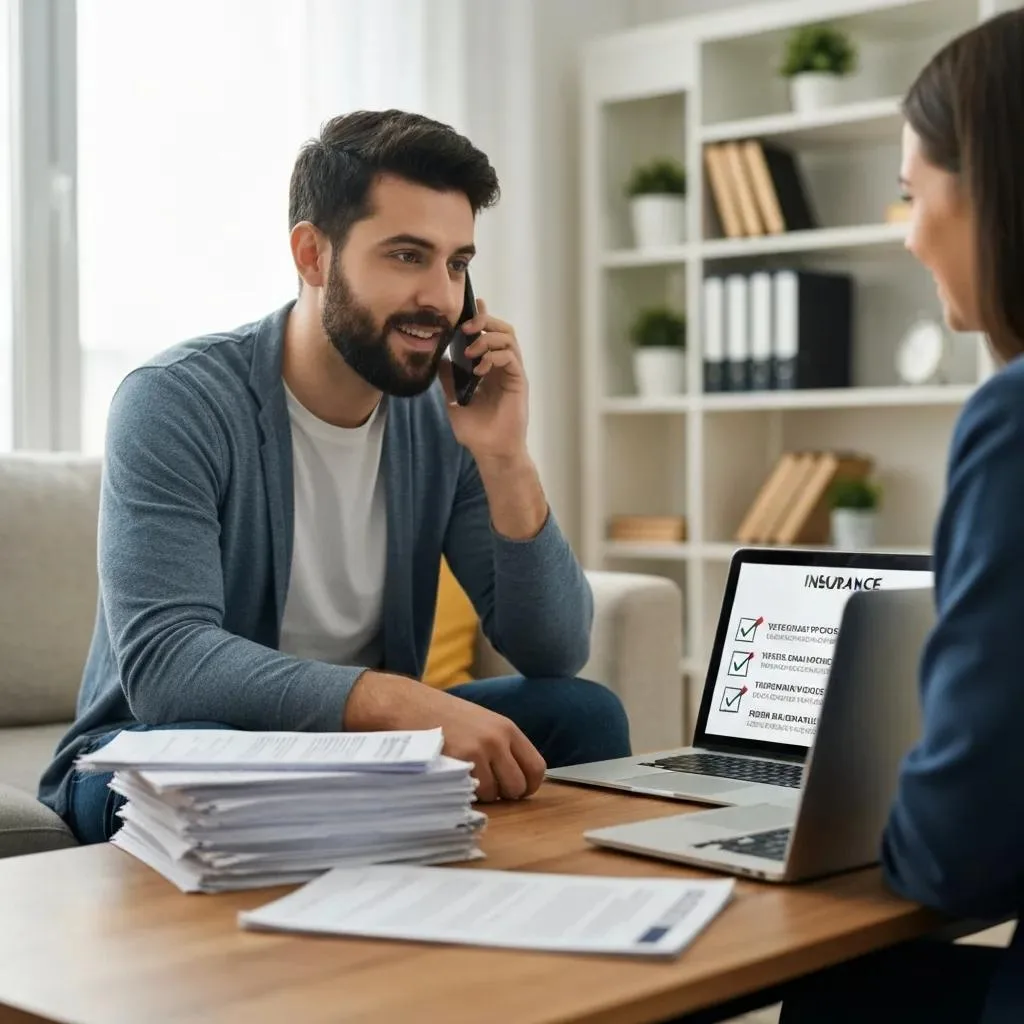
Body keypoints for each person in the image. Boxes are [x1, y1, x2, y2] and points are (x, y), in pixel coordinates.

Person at [39, 108, 631, 844]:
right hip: (166, 744)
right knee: (187, 767)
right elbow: (167, 660)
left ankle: (543, 923)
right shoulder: (175, 399)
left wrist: (505, 457)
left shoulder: (442, 419)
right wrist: (392, 702)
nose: (443, 300)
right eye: (408, 256)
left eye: (457, 264)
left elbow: (554, 648)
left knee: (583, 711)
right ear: (313, 255)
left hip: (363, 751)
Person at [778, 9, 1024, 1024]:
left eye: (912, 194)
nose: (911, 231)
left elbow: (947, 853)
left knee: (836, 989)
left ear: (995, 191)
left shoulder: (1012, 420)